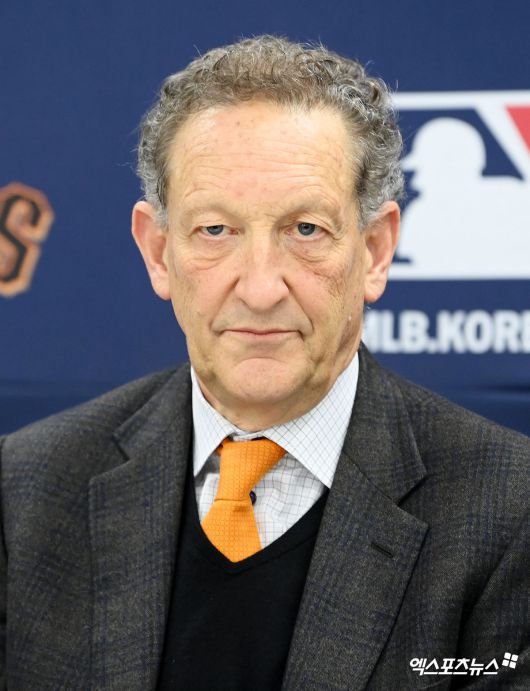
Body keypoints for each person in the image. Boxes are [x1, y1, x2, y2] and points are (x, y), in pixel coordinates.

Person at [0, 35, 528, 691]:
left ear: (375, 249)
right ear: (158, 252)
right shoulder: (23, 491)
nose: (258, 287)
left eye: (305, 229)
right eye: (215, 230)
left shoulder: (511, 511)